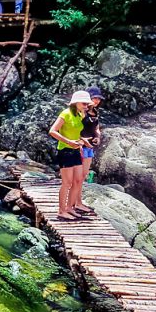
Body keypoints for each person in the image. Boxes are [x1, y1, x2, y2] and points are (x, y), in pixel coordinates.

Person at [47, 91, 93, 221]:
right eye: (84, 103)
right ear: (76, 102)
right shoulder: (65, 114)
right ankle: (61, 210)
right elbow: (52, 131)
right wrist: (68, 142)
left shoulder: (78, 115)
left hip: (76, 150)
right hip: (65, 151)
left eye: (87, 104)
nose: (86, 106)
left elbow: (76, 133)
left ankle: (70, 207)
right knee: (67, 183)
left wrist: (83, 141)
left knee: (78, 180)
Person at [75, 86, 104, 213]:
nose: (97, 101)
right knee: (77, 176)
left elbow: (96, 127)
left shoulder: (95, 112)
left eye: (98, 99)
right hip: (80, 145)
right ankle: (75, 202)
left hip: (90, 146)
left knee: (83, 175)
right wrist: (80, 140)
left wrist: (98, 137)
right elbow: (74, 127)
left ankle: (78, 202)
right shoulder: (82, 111)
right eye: (94, 98)